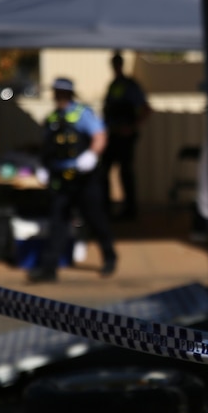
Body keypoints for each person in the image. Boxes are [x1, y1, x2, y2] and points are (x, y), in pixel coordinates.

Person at [28, 77, 117, 282]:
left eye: (62, 92)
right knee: (57, 222)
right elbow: (46, 148)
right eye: (56, 92)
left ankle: (109, 257)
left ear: (69, 94)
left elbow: (100, 136)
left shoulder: (82, 114)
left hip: (84, 178)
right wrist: (42, 167)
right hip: (61, 179)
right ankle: (49, 268)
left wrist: (92, 155)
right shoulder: (52, 119)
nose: (59, 96)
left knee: (96, 218)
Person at [101, 50, 151, 220]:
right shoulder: (113, 85)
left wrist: (131, 127)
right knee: (104, 169)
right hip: (113, 134)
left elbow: (145, 108)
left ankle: (130, 210)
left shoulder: (130, 85)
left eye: (117, 63)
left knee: (125, 172)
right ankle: (106, 208)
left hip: (125, 136)